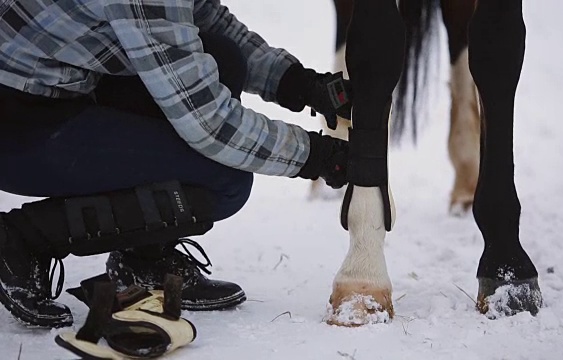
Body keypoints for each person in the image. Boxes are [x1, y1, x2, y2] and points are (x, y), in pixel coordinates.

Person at [0, 0, 352, 328]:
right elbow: (209, 124)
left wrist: (297, 83)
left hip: (55, 90)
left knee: (222, 58)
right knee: (223, 181)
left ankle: (144, 259)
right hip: (17, 123)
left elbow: (203, 16)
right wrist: (316, 156)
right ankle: (20, 239)